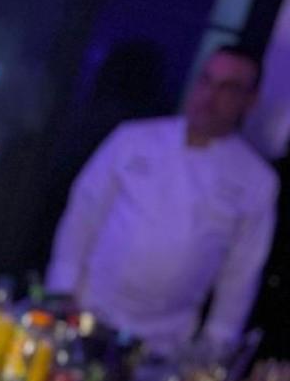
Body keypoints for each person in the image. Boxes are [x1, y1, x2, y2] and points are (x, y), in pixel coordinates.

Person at [45, 44, 279, 357]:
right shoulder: (133, 138)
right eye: (206, 81)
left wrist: (214, 349)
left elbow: (242, 272)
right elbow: (82, 215)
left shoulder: (257, 180)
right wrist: (61, 291)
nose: (209, 97)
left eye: (228, 88)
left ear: (249, 102)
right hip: (86, 311)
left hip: (163, 342)